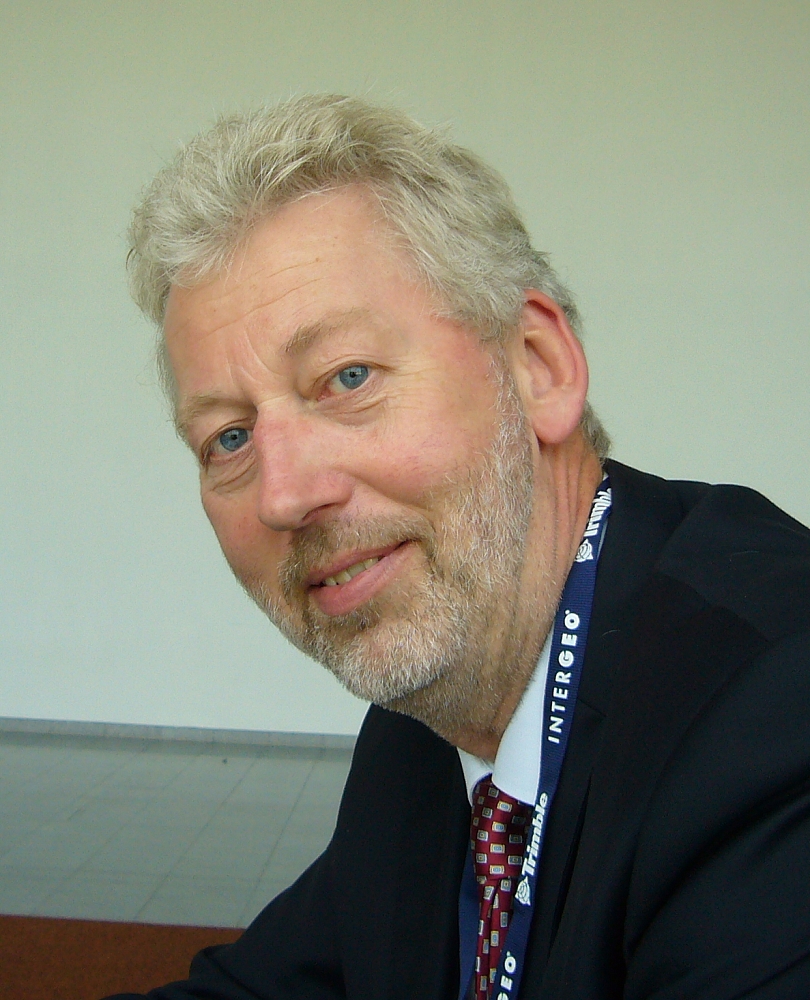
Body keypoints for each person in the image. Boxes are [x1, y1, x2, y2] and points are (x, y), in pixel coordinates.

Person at [110, 95, 810, 999]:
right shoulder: (425, 726)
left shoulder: (776, 714)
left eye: (347, 378)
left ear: (538, 367)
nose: (285, 494)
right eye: (229, 438)